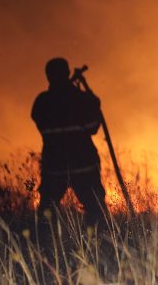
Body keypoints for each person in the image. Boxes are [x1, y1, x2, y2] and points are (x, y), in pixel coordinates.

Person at [31, 57, 107, 226]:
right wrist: (87, 95)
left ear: (48, 76)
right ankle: (99, 246)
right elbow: (93, 126)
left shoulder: (42, 102)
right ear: (67, 73)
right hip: (83, 165)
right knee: (95, 210)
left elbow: (41, 121)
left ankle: (44, 246)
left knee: (47, 212)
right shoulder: (80, 99)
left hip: (54, 166)